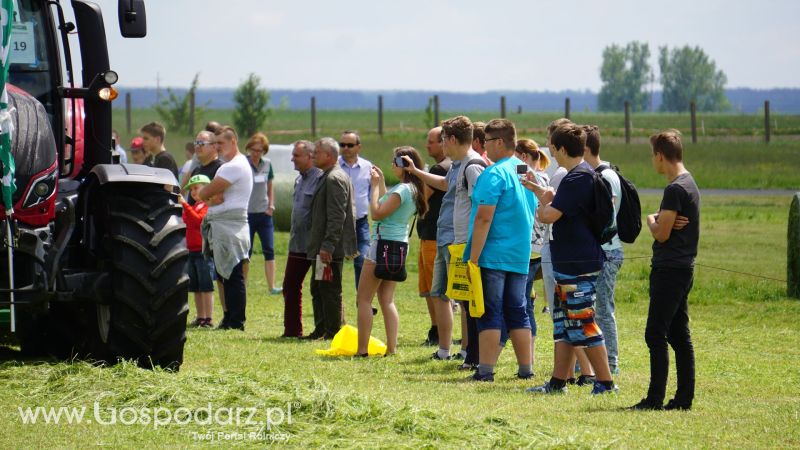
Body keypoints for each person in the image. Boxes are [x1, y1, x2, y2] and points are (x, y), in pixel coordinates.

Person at [524, 123, 617, 395]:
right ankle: (557, 382)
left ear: (562, 149)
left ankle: (606, 382)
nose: (551, 153)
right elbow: (557, 207)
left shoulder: (576, 178)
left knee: (582, 321)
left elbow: (548, 216)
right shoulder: (581, 176)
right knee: (564, 322)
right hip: (571, 261)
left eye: (552, 148)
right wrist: (541, 194)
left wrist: (544, 204)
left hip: (578, 263)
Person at [404, 115, 485, 366]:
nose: (441, 147)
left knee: (464, 296)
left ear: (451, 139)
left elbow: (481, 205)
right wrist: (416, 172)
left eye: (443, 141)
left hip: (461, 241)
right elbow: (444, 184)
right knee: (440, 292)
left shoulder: (473, 165)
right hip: (445, 237)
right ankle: (444, 349)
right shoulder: (457, 165)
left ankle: (468, 351)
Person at [631, 130, 698, 411]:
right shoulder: (689, 181)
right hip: (683, 268)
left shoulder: (674, 189)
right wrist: (660, 220)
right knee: (678, 334)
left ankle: (654, 398)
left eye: (652, 156)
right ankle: (684, 398)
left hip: (669, 269)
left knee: (655, 334)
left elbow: (661, 234)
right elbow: (667, 226)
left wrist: (651, 219)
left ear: (660, 155)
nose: (652, 161)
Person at [463, 119, 533, 382]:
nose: (483, 148)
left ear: (500, 142)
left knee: (489, 311)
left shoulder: (493, 174)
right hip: (519, 253)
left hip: (493, 253)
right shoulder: (524, 169)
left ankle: (485, 371)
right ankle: (526, 369)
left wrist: (473, 257)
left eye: (487, 141)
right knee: (518, 309)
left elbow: (483, 218)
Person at [355, 146, 428, 356]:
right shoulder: (413, 189)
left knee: (364, 299)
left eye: (394, 161)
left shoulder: (403, 189)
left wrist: (374, 187)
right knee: (386, 299)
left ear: (403, 164)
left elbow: (377, 213)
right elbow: (389, 206)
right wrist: (382, 184)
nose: (391, 165)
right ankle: (392, 349)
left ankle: (362, 350)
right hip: (399, 245)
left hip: (382, 245)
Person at [198, 126, 253, 331]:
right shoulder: (232, 165)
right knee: (224, 274)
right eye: (215, 143)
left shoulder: (233, 166)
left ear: (233, 141)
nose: (217, 147)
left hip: (230, 226)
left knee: (232, 273)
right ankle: (229, 318)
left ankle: (236, 321)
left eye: (220, 143)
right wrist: (211, 195)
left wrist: (207, 193)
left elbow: (206, 193)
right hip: (225, 225)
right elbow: (213, 195)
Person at [305, 137, 358, 340]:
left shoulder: (334, 178)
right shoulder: (328, 175)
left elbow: (337, 216)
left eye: (316, 152)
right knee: (319, 287)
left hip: (329, 248)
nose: (312, 155)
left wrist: (327, 245)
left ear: (328, 155)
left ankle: (333, 332)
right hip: (323, 247)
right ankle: (322, 329)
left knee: (329, 289)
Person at [583, 125, 623, 375]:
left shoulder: (604, 177)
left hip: (607, 251)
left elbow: (605, 218)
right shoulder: (601, 174)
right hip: (601, 250)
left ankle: (610, 363)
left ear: (585, 149)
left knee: (603, 310)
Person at [514, 138, 551, 370]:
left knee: (523, 305)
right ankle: (530, 356)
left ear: (525, 158)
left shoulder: (530, 179)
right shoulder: (546, 178)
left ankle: (528, 359)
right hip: (540, 250)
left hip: (529, 251)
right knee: (526, 303)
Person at [282, 140, 323, 337]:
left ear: (310, 157)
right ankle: (292, 330)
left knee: (323, 288)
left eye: (296, 155)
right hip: (298, 243)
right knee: (290, 285)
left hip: (316, 245)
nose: (292, 159)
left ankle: (327, 328)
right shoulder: (299, 179)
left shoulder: (320, 179)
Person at [417, 126, 451, 346]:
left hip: (433, 235)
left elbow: (422, 198)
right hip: (432, 233)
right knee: (430, 287)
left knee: (433, 288)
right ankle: (436, 328)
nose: (427, 146)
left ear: (443, 142)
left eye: (431, 142)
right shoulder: (446, 166)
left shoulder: (440, 168)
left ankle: (438, 330)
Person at [243, 132, 282, 294]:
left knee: (269, 249)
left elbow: (270, 187)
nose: (256, 153)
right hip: (247, 214)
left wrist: (271, 206)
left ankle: (272, 286)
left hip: (264, 214)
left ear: (264, 150)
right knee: (246, 252)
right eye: (253, 149)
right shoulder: (243, 163)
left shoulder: (267, 164)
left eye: (259, 150)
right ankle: (243, 286)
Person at [337, 130, 373, 288]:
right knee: (334, 261)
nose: (345, 148)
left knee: (362, 261)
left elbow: (372, 194)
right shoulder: (334, 165)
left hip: (360, 223)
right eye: (342, 145)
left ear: (359, 147)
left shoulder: (367, 167)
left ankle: (363, 302)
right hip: (337, 222)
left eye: (350, 145)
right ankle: (334, 302)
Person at [179, 174, 215, 328]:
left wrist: (184, 205)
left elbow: (197, 221)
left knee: (206, 286)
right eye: (191, 189)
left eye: (196, 188)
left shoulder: (207, 206)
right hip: (192, 251)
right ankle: (200, 316)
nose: (193, 192)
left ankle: (208, 318)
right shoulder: (194, 206)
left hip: (203, 252)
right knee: (196, 287)